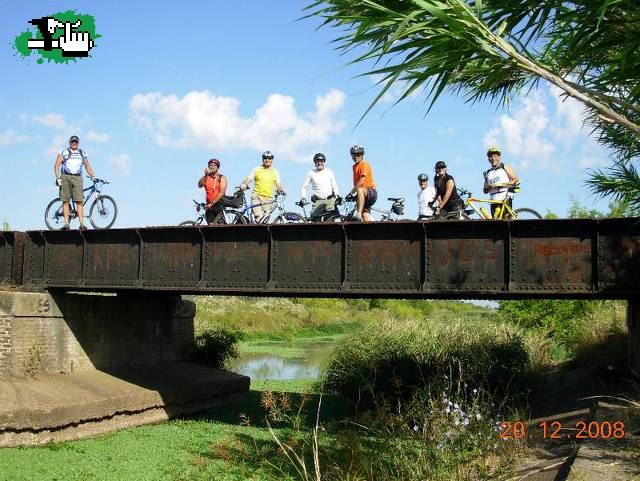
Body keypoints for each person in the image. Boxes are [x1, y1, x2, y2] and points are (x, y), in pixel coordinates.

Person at [53, 135, 96, 230]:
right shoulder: (64, 152)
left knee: (79, 201)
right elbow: (56, 165)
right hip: (65, 176)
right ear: (70, 142)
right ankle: (66, 224)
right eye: (72, 141)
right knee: (65, 200)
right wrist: (57, 178)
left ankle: (81, 224)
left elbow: (87, 166)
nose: (74, 143)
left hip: (77, 177)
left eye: (76, 142)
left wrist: (93, 176)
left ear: (78, 143)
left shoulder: (82, 153)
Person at [241, 151, 285, 222]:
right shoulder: (257, 169)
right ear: (262, 159)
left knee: (265, 221)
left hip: (269, 199)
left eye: (269, 158)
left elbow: (278, 184)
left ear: (272, 159)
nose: (267, 160)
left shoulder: (275, 172)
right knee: (259, 217)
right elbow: (249, 179)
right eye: (265, 158)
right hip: (256, 196)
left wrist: (282, 190)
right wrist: (244, 184)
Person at [299, 153, 340, 220]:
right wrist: (303, 197)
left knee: (330, 222)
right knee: (314, 221)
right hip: (318, 201)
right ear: (315, 163)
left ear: (324, 162)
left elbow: (334, 186)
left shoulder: (329, 172)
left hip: (330, 200)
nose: (319, 163)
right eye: (317, 161)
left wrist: (337, 196)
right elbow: (304, 186)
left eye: (321, 161)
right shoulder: (311, 173)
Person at [483, 146, 520, 217]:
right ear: (488, 159)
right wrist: (488, 187)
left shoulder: (505, 166)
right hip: (493, 199)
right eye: (491, 156)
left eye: (495, 156)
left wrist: (500, 185)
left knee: (506, 221)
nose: (493, 158)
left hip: (505, 197)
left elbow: (515, 180)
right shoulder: (487, 173)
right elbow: (485, 191)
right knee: (495, 223)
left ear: (499, 157)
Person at [346, 145, 377, 222]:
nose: (356, 157)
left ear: (362, 155)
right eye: (353, 155)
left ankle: (358, 214)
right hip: (363, 194)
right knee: (365, 216)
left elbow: (362, 180)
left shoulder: (364, 164)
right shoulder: (354, 167)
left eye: (358, 155)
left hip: (370, 192)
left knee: (360, 190)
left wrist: (351, 193)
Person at [197, 158, 227, 225]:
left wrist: (212, 203)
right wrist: (205, 175)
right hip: (209, 205)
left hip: (219, 204)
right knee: (211, 225)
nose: (212, 166)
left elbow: (221, 193)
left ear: (217, 167)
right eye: (210, 165)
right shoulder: (206, 178)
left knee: (221, 225)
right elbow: (199, 185)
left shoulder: (221, 178)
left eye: (214, 165)